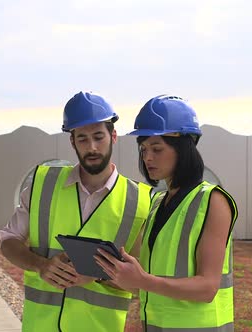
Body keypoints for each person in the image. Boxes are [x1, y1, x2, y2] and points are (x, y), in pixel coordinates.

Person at [0, 91, 151, 332]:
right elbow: (8, 241)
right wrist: (41, 265)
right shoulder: (42, 184)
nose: (91, 147)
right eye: (82, 138)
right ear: (72, 142)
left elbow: (144, 282)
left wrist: (100, 275)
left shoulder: (141, 201)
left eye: (98, 137)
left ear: (113, 136)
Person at [95, 95, 238, 331]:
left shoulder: (213, 201)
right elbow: (149, 283)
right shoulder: (157, 203)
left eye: (157, 149)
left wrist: (142, 279)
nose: (147, 157)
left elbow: (207, 288)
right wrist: (108, 274)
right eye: (143, 149)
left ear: (183, 149)